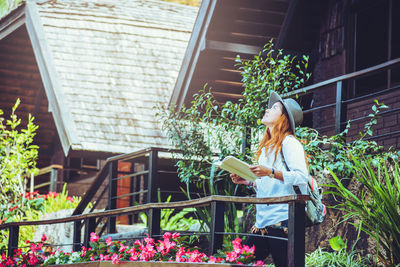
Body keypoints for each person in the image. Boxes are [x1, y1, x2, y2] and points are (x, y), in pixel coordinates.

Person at [230, 91, 309, 267]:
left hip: (283, 222)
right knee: (238, 262)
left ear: (284, 118)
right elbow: (270, 183)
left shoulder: (290, 143)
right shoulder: (267, 148)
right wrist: (249, 181)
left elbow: (302, 178)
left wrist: (271, 172)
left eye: (274, 108)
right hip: (262, 222)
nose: (267, 110)